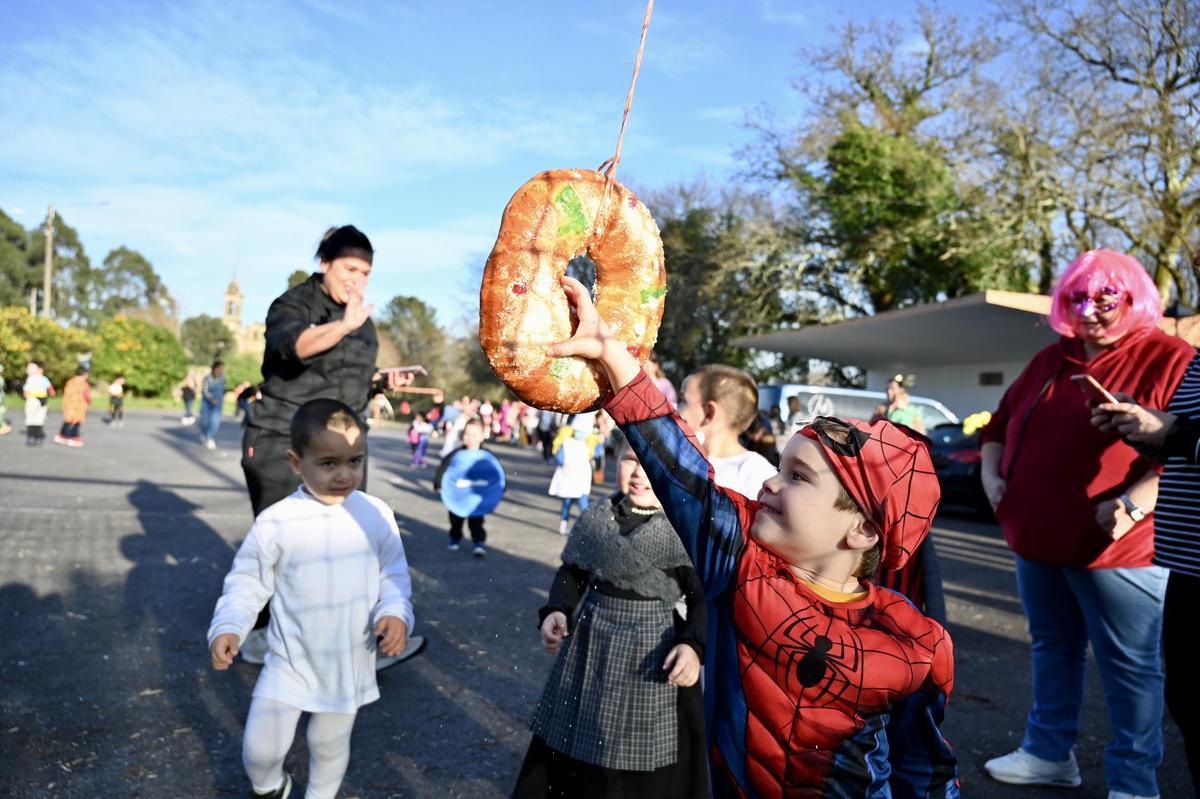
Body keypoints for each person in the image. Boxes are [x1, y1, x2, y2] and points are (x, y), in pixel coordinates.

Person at [546, 275, 958, 797]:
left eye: (798, 477)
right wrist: (612, 356)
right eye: (780, 467)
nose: (769, 481)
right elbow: (681, 473)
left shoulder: (915, 644)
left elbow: (925, 770)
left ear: (861, 529)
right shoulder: (739, 562)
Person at [978, 250, 1193, 798]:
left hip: (1119, 547)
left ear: (1134, 299)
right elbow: (997, 425)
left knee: (1131, 667)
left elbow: (1183, 449)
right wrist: (991, 475)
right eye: (1078, 297)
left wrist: (1135, 504)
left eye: (1106, 299)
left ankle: (1134, 783)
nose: (1091, 310)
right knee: (1052, 646)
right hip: (1037, 538)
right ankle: (1049, 753)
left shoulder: (1170, 357)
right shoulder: (1053, 357)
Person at [207, 398, 414, 799]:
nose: (344, 474)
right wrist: (229, 625)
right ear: (296, 462)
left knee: (328, 744)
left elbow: (393, 575)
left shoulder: (375, 513)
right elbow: (247, 582)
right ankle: (271, 788)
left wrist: (395, 612)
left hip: (348, 658)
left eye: (355, 461)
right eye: (328, 462)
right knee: (260, 750)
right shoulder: (277, 521)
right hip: (289, 657)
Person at [237, 226, 413, 668]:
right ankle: (264, 635)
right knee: (286, 544)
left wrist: (381, 382)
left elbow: (348, 377)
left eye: (367, 272)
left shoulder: (363, 322)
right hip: (284, 440)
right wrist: (342, 325)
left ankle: (352, 645)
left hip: (343, 445)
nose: (359, 280)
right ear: (325, 263)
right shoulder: (293, 304)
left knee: (349, 542)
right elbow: (294, 348)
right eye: (351, 268)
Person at [512, 439, 708, 798]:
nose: (638, 473)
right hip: (590, 642)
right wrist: (557, 608)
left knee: (638, 747)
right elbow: (573, 572)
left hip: (652, 648)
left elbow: (702, 599)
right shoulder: (598, 517)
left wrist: (692, 646)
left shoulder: (682, 528)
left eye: (650, 466)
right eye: (629, 461)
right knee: (572, 734)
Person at [1091, 354, 1200, 795]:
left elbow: (1186, 436)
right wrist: (1141, 428)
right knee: (1190, 704)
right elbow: (1184, 446)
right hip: (1187, 559)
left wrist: (1174, 430)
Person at [676, 364, 777, 499]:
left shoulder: (755, 474)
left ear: (709, 413)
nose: (675, 409)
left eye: (683, 401)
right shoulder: (679, 453)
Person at [433, 418, 501, 557]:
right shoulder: (456, 454)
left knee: (476, 520)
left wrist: (500, 488)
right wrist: (438, 483)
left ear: (482, 436)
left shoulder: (487, 456)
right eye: (467, 434)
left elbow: (496, 474)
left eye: (474, 434)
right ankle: (455, 538)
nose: (470, 438)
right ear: (462, 436)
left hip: (476, 498)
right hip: (458, 496)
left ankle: (478, 542)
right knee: (455, 519)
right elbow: (444, 468)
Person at [548, 414, 601, 535]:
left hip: (581, 477)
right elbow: (559, 455)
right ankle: (564, 522)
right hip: (569, 476)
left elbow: (597, 454)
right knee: (567, 501)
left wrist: (600, 440)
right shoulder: (567, 442)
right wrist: (562, 462)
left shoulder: (588, 444)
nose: (580, 434)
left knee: (583, 503)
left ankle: (587, 525)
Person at [55, 366, 91, 447]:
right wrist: (89, 401)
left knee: (68, 421)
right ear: (85, 374)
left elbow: (67, 394)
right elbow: (87, 396)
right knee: (77, 422)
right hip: (79, 406)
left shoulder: (70, 382)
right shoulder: (84, 384)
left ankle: (62, 436)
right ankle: (74, 437)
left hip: (69, 405)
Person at [22, 360, 53, 446]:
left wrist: (51, 393)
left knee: (39, 419)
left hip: (42, 400)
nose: (28, 369)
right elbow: (26, 390)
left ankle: (38, 436)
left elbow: (49, 387)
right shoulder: (30, 379)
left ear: (40, 369)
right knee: (30, 419)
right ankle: (31, 436)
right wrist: (25, 395)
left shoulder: (43, 379)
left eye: (31, 367)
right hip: (32, 400)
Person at [199, 361, 226, 450]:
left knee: (215, 422)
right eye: (220, 368)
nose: (221, 370)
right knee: (205, 421)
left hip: (217, 404)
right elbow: (204, 391)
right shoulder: (207, 378)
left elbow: (222, 390)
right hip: (207, 403)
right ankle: (204, 434)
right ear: (214, 368)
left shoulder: (223, 378)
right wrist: (211, 399)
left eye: (222, 369)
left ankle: (210, 438)